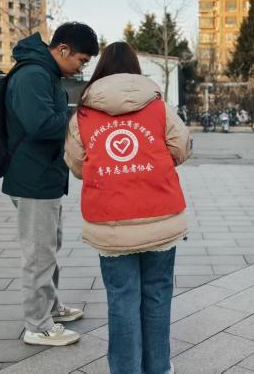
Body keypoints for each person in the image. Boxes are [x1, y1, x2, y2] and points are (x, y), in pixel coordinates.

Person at [65, 41, 191, 374]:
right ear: (135, 69)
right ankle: (158, 367)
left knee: (121, 299)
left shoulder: (83, 113)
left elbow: (76, 164)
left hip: (110, 222)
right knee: (158, 295)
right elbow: (181, 148)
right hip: (160, 214)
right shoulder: (158, 106)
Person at [3, 23, 99, 346]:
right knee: (38, 254)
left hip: (43, 175)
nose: (81, 68)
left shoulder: (45, 73)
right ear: (62, 50)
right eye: (81, 60)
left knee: (48, 247)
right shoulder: (33, 75)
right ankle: (38, 325)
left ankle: (51, 308)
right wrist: (78, 119)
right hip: (33, 178)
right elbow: (41, 124)